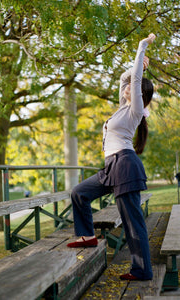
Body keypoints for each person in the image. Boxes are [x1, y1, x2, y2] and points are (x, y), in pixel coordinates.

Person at [67, 33, 156, 281]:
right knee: (79, 193)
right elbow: (125, 77)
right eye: (128, 86)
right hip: (111, 167)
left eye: (132, 87)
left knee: (132, 223)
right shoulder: (122, 108)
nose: (127, 86)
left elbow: (135, 78)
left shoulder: (136, 110)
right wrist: (136, 65)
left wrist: (141, 48)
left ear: (138, 93)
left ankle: (142, 271)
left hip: (125, 167)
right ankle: (87, 236)